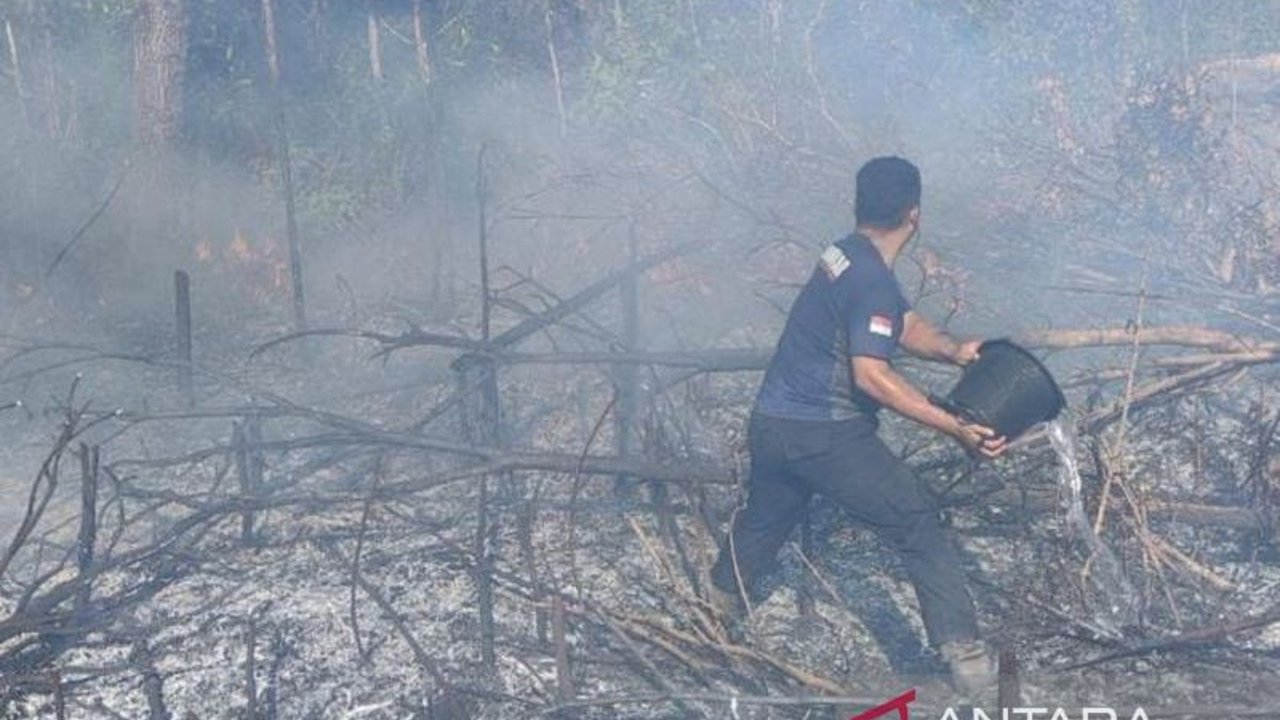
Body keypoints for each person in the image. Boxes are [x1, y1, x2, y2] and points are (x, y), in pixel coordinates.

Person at [707, 156, 1007, 694]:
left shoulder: (843, 254)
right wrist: (954, 426)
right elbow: (871, 376)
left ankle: (716, 604)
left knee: (769, 515)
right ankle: (969, 663)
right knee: (916, 520)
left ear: (858, 204)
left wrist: (954, 349)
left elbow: (900, 319)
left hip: (773, 426)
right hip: (824, 434)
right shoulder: (869, 277)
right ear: (914, 214)